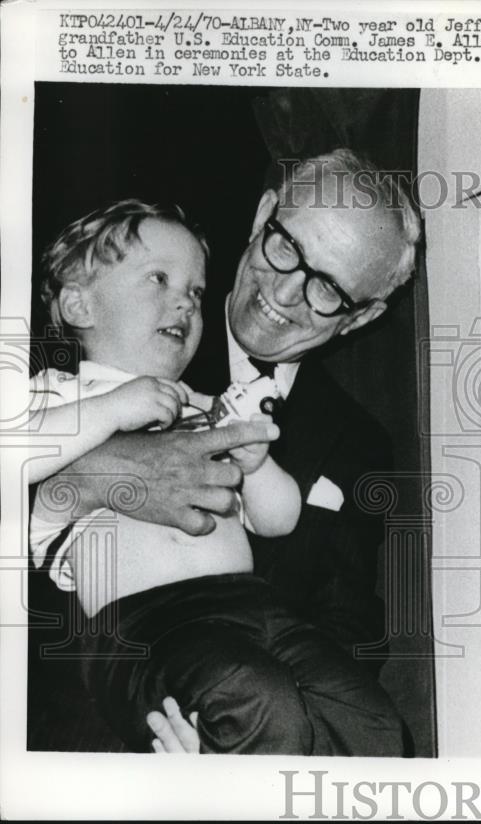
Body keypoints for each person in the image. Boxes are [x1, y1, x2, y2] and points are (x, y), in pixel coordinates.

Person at [31, 149, 422, 752]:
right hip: (93, 726)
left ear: (361, 316)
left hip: (262, 655)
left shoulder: (360, 443)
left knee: (375, 730)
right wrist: (96, 476)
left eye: (328, 289)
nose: (288, 293)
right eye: (287, 248)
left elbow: (346, 626)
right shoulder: (104, 319)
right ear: (265, 213)